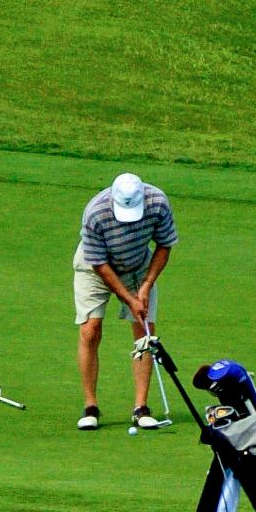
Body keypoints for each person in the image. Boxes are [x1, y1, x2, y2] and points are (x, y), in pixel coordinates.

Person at [74, 171, 177, 431]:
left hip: (139, 266)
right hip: (95, 267)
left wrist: (145, 285)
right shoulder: (95, 212)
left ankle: (141, 408)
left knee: (145, 334)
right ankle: (91, 407)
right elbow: (99, 264)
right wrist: (129, 298)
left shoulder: (158, 203)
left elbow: (164, 246)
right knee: (90, 329)